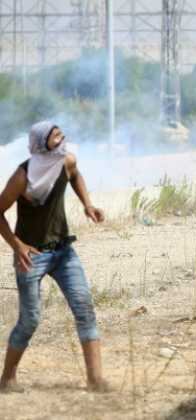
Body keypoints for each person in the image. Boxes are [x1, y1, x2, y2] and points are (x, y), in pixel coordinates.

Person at [0, 122, 109, 393]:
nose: (62, 139)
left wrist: (87, 204)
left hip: (63, 251)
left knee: (84, 309)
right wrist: (17, 245)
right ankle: (7, 379)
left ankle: (95, 380)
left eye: (61, 134)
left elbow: (76, 175)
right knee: (30, 320)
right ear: (41, 143)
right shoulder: (22, 176)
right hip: (31, 257)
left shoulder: (66, 161)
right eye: (56, 136)